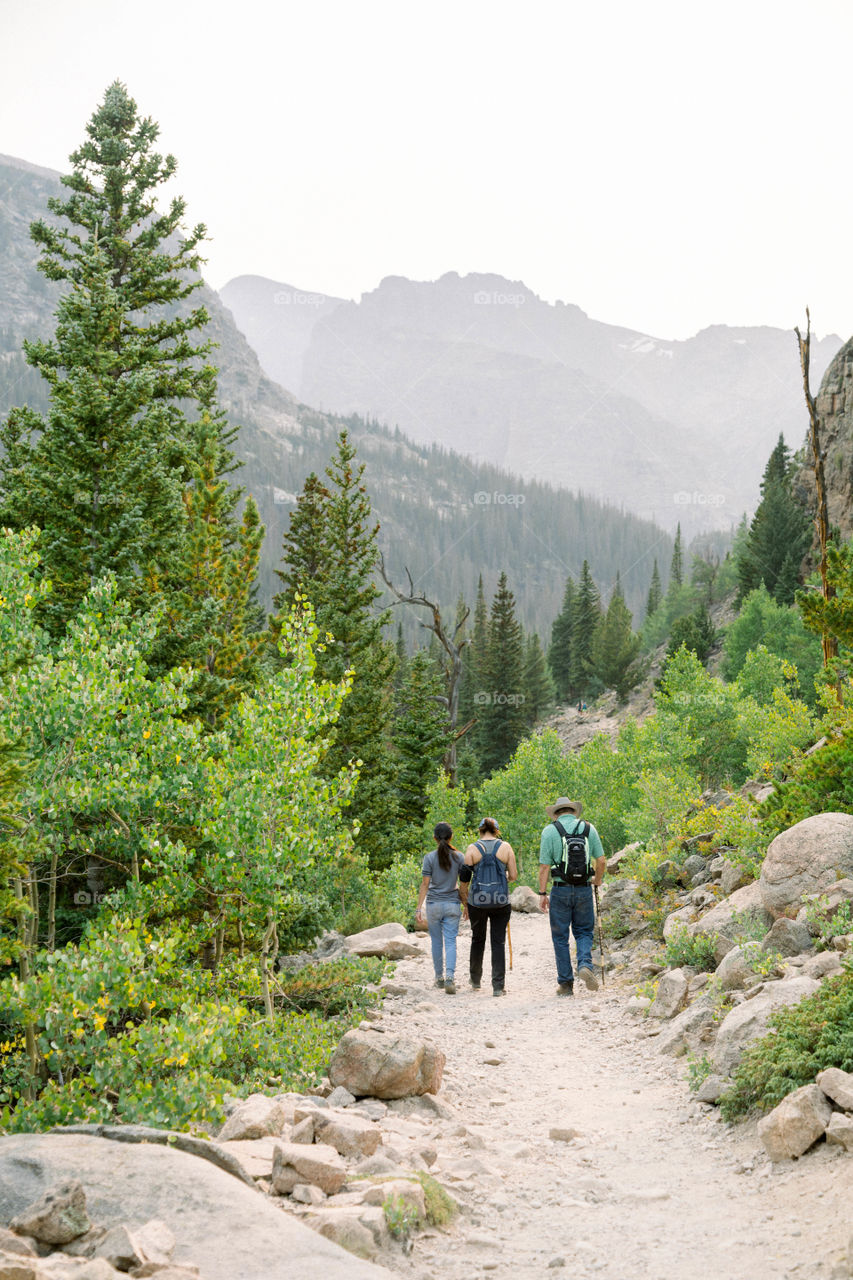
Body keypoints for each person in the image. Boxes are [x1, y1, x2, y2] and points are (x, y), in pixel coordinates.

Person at [538, 796, 606, 996]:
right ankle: (585, 964)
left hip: (560, 889)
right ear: (573, 811)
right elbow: (601, 860)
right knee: (584, 931)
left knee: (560, 937)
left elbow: (544, 866)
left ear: (556, 813)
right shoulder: (588, 829)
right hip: (584, 888)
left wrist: (542, 893)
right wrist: (598, 880)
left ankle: (566, 984)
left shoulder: (550, 831)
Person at [460, 817, 518, 996]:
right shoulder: (506, 847)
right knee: (498, 942)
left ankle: (475, 980)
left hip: (477, 902)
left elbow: (463, 881)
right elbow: (514, 875)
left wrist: (465, 903)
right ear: (496, 831)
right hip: (500, 901)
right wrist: (503, 879)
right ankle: (498, 986)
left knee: (477, 940)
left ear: (480, 831)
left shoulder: (471, 849)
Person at [416, 822, 464, 994]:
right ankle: (450, 978)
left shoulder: (429, 858)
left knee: (436, 942)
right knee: (451, 941)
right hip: (452, 903)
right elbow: (464, 884)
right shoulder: (459, 857)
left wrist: (418, 908)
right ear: (451, 837)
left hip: (433, 905)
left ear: (434, 838)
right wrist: (466, 904)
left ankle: (439, 978)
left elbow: (425, 884)